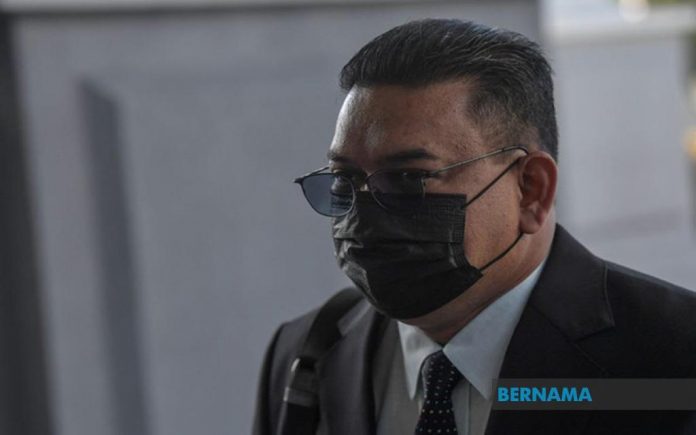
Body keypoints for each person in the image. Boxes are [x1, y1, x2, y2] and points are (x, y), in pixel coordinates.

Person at [252, 19, 696, 435]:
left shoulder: (675, 358)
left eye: (407, 178)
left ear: (531, 189)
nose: (364, 213)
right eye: (344, 179)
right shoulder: (305, 353)